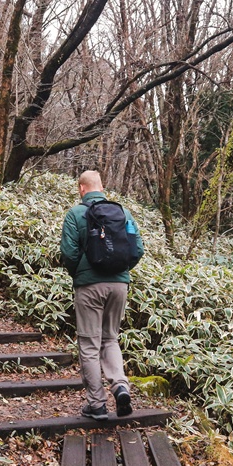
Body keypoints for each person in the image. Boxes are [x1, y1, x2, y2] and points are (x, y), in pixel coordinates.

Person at [59, 170, 144, 420]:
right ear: (102, 187)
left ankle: (97, 404)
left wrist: (80, 274)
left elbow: (69, 252)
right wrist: (121, 270)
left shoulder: (75, 214)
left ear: (81, 188)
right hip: (119, 285)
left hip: (89, 286)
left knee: (89, 344)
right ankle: (120, 387)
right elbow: (137, 249)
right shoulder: (123, 213)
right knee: (110, 339)